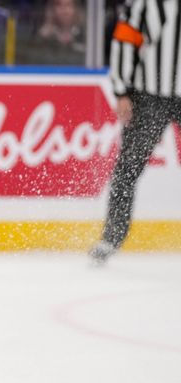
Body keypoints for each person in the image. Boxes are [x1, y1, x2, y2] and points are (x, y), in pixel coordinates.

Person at [89, 0, 181, 264]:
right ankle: (112, 237)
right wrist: (121, 90)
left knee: (127, 169)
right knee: (128, 167)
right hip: (149, 95)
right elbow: (124, 41)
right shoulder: (147, 3)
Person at [16, 0, 85, 66]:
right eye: (59, 5)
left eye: (68, 5)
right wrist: (41, 39)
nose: (64, 10)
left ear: (76, 9)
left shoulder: (85, 38)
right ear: (51, 10)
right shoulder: (41, 39)